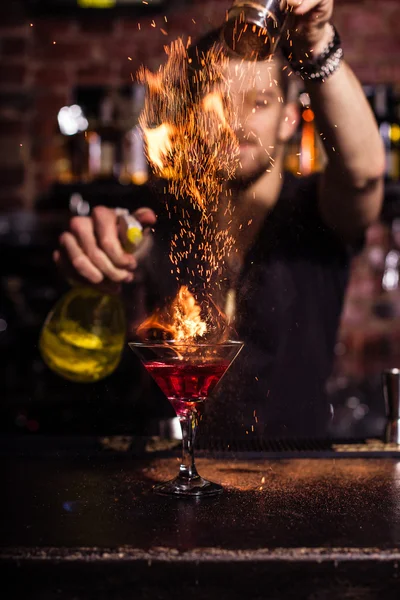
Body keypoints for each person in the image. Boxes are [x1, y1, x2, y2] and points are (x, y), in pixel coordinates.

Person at [54, 0, 385, 439]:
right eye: (218, 101)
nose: (235, 121)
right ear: (192, 115)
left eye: (259, 101)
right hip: (164, 479)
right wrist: (98, 253)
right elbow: (124, 238)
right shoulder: (163, 213)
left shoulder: (317, 212)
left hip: (297, 483)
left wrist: (317, 44)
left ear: (288, 119)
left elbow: (362, 177)